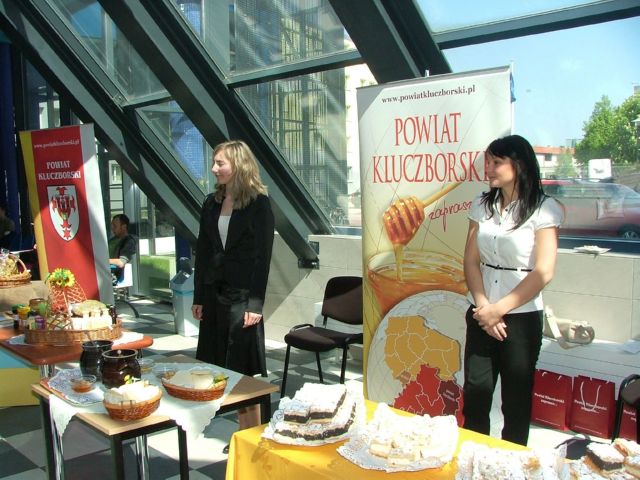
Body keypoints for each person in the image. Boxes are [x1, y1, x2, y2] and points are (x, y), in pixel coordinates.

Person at [462, 134, 564, 446]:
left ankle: (512, 464)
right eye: (487, 162)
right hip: (481, 313)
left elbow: (544, 271)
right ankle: (473, 460)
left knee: (516, 403)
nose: (488, 169)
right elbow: (470, 261)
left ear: (518, 165)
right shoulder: (481, 205)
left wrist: (499, 310)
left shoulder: (545, 209)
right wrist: (484, 308)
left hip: (520, 318)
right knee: (476, 395)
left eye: (496, 162)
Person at [192, 140, 274, 430]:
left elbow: (263, 258)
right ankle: (241, 432)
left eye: (220, 163)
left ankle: (250, 434)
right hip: (214, 294)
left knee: (243, 370)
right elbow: (203, 251)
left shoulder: (259, 203)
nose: (214, 169)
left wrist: (255, 304)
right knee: (215, 364)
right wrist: (199, 296)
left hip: (242, 298)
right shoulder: (210, 202)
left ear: (238, 164)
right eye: (214, 163)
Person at [108, 214, 137, 284]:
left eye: (115, 226)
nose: (112, 228)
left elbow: (121, 262)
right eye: (112, 226)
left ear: (124, 227)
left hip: (114, 277)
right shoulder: (112, 240)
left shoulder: (129, 241)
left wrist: (103, 261)